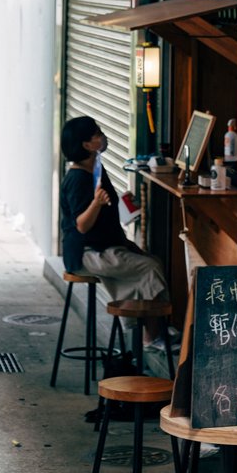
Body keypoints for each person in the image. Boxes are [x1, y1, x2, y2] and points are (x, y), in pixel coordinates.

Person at [60, 114, 170, 345]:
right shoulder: (78, 178)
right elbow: (82, 225)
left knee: (145, 262)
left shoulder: (95, 167)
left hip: (104, 246)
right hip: (87, 253)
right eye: (97, 134)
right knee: (151, 267)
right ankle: (153, 338)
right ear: (86, 145)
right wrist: (96, 204)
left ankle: (147, 333)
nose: (103, 137)